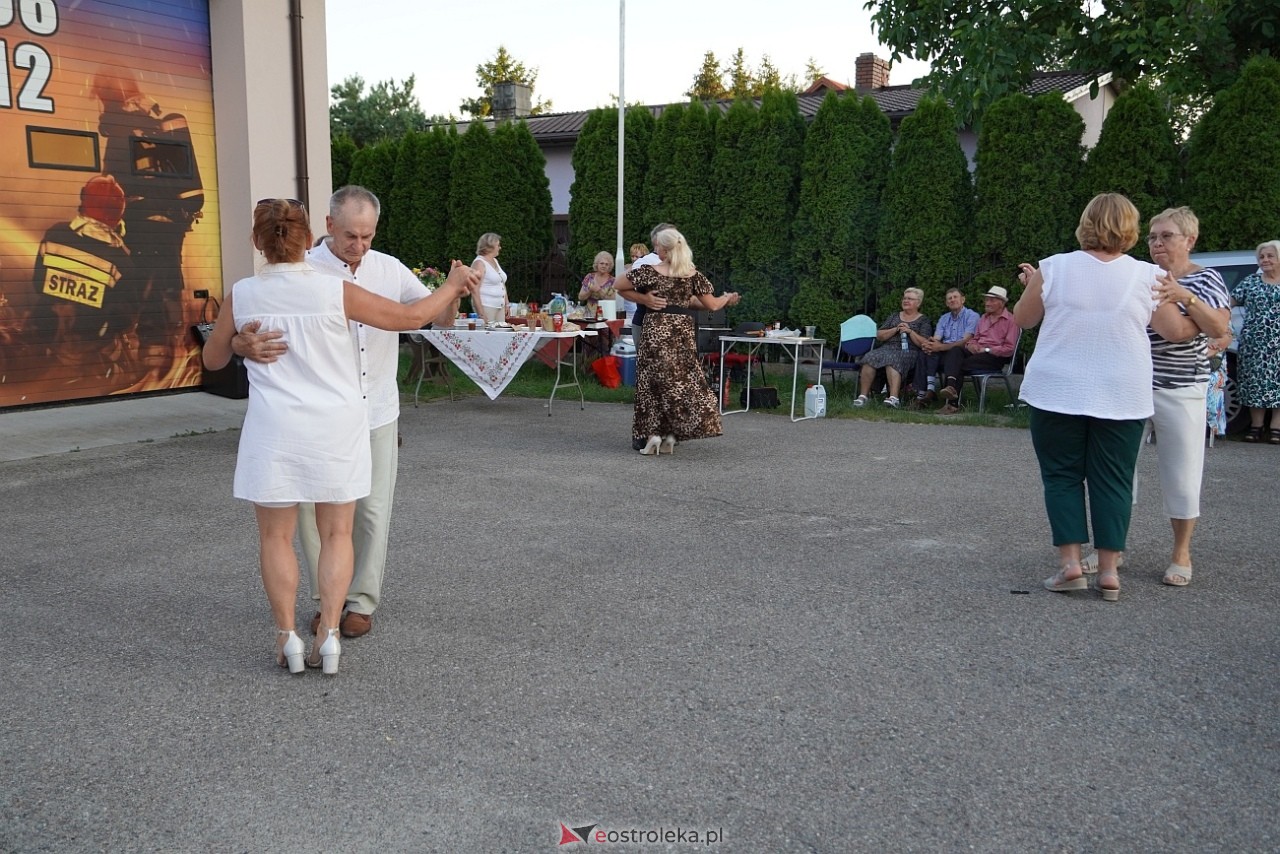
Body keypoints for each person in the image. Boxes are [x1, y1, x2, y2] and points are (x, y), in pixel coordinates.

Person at [202, 198, 473, 674]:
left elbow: (212, 362)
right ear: (310, 238)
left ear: (257, 243)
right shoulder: (333, 290)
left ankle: (287, 637)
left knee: (276, 538)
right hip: (336, 425)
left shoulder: (241, 294)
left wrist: (239, 342)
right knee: (338, 533)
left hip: (273, 428)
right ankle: (328, 634)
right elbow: (411, 319)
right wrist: (452, 285)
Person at [1013, 193, 1191, 603]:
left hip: (1057, 389)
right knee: (1113, 480)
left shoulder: (1053, 267)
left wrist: (1033, 287)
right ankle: (1109, 572)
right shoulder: (1148, 276)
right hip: (1122, 392)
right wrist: (1195, 305)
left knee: (1062, 476)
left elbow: (1023, 319)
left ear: (1085, 223)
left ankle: (1071, 566)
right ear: (1131, 229)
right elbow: (1175, 332)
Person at [1081, 208, 1230, 587]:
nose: (1157, 243)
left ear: (1189, 240)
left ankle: (1181, 552)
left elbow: (1219, 327)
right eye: (1151, 237)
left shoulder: (1207, 279)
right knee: (1115, 470)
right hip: (1129, 381)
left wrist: (1185, 298)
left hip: (1181, 385)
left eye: (1166, 236)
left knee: (1181, 470)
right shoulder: (1139, 274)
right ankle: (1111, 550)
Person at [622, 227, 739, 454]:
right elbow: (710, 304)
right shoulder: (680, 269)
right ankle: (667, 435)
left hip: (656, 329)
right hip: (672, 331)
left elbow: (620, 286)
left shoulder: (656, 269)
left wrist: (720, 300)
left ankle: (655, 434)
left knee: (653, 383)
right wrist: (723, 299)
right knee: (678, 383)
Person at [615, 226, 674, 450]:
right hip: (647, 322)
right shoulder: (645, 262)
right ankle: (644, 432)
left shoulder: (682, 265)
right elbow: (621, 286)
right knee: (649, 377)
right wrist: (646, 299)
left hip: (674, 327)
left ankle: (664, 430)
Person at [937, 285, 1021, 414]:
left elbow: (1009, 349)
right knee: (955, 351)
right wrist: (972, 345)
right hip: (977, 353)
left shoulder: (1011, 320)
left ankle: (952, 403)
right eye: (986, 300)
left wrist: (987, 350)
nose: (987, 303)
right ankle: (951, 387)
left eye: (991, 300)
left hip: (995, 356)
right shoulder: (983, 318)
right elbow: (974, 338)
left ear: (1002, 303)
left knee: (958, 364)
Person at [1230, 240, 1280, 443]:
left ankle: (1276, 428)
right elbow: (1228, 302)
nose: (1265, 260)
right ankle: (1256, 427)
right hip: (1255, 345)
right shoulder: (1251, 281)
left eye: (1270, 256)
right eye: (1262, 257)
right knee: (1254, 384)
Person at [852, 287, 932, 408]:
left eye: (910, 299)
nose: (906, 300)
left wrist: (910, 331)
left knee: (893, 359)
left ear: (918, 303)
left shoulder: (923, 320)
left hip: (909, 351)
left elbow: (924, 342)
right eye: (905, 298)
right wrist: (895, 329)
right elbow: (879, 335)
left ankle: (894, 398)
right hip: (888, 348)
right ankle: (863, 397)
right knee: (869, 357)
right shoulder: (894, 316)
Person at [910, 288, 979, 409]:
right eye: (949, 298)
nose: (952, 300)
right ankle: (924, 394)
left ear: (963, 300)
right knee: (925, 352)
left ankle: (927, 393)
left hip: (962, 354)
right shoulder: (944, 318)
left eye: (955, 297)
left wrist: (939, 347)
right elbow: (937, 338)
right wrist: (930, 345)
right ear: (946, 303)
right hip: (945, 353)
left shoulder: (972, 316)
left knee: (949, 351)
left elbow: (965, 341)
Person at [470, 233, 509, 324]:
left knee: (500, 334)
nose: (500, 248)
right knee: (487, 334)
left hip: (500, 306)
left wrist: (507, 303)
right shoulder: (479, 263)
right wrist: (481, 313)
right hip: (486, 305)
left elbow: (501, 283)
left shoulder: (495, 261)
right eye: (498, 245)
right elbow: (475, 290)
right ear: (490, 247)